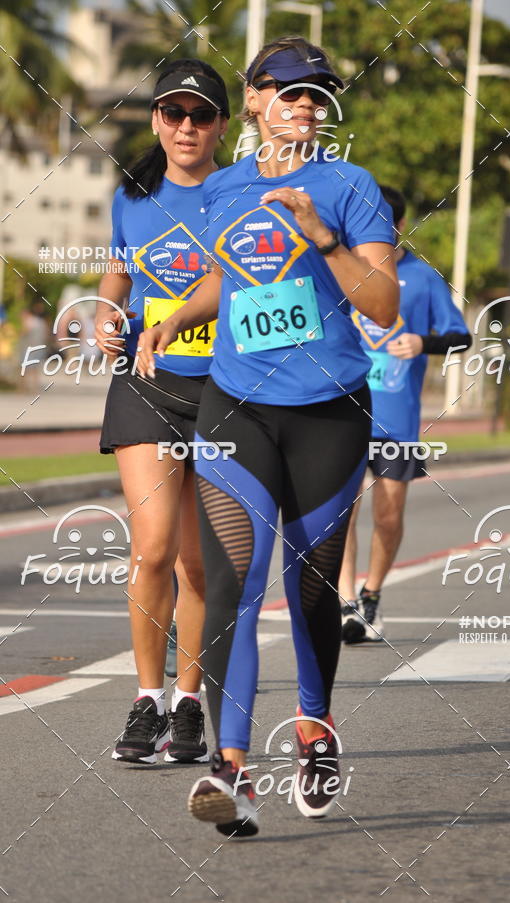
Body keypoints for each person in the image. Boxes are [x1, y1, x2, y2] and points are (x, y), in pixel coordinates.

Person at [137, 35, 398, 834]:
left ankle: (315, 733)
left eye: (316, 93)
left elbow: (383, 302)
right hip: (236, 405)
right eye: (287, 91)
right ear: (253, 100)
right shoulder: (222, 188)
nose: (304, 105)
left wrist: (322, 234)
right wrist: (179, 313)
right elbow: (231, 273)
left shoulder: (351, 186)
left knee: (311, 589)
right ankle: (233, 768)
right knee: (232, 584)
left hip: (328, 409)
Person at [95, 59, 229, 764]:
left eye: (200, 115)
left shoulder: (239, 193)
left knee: (198, 566)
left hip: (223, 394)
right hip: (146, 383)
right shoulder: (133, 195)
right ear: (155, 120)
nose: (185, 127)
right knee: (151, 548)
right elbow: (120, 266)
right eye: (173, 113)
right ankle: (146, 697)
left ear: (221, 127)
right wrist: (106, 311)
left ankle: (188, 702)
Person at [339, 186, 472, 643]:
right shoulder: (340, 269)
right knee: (343, 511)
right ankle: (345, 603)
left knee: (389, 513)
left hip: (396, 420)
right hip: (342, 415)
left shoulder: (423, 277)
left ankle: (371, 594)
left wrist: (422, 342)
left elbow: (460, 336)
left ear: (395, 226)